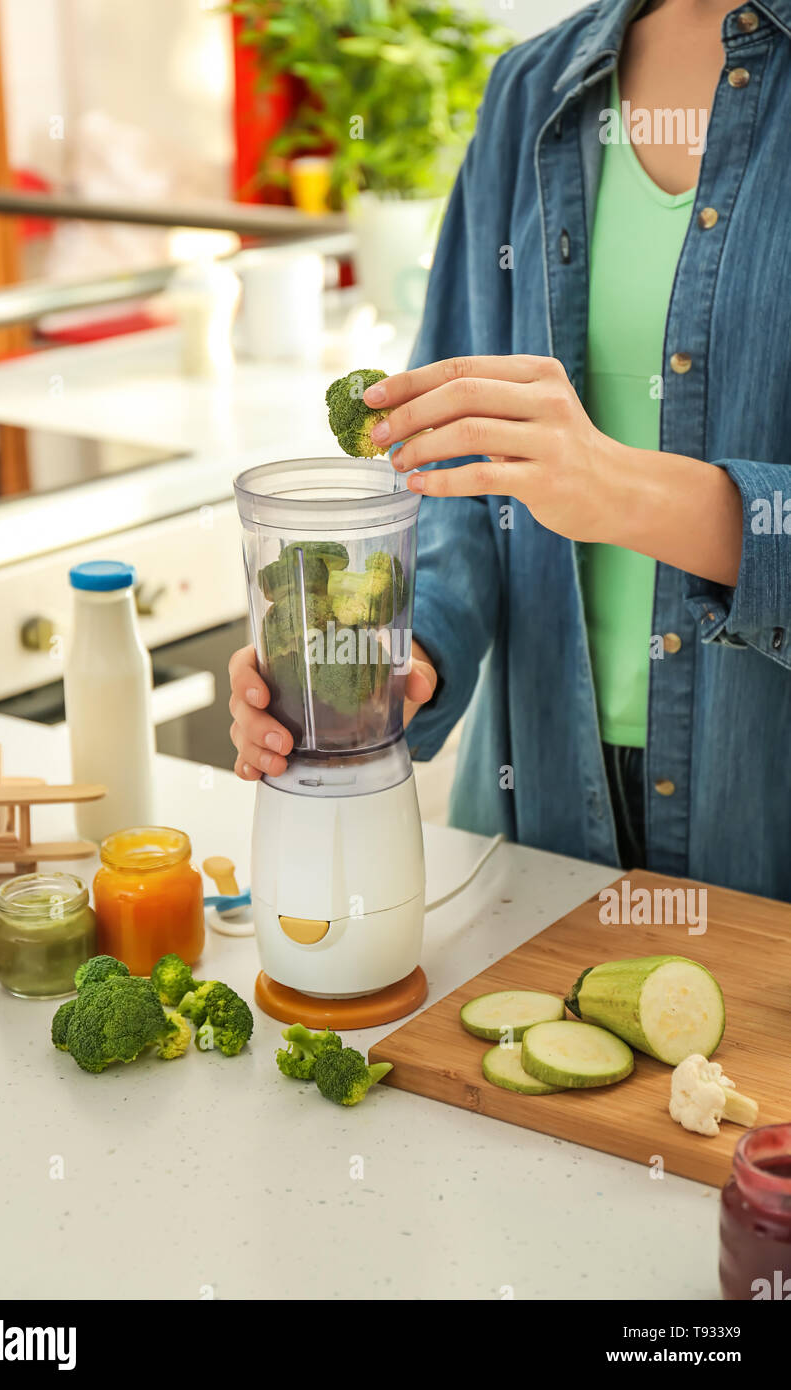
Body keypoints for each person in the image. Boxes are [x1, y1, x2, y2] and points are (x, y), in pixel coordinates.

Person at [230, 0, 791, 901]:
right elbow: (456, 485)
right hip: (539, 823)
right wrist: (397, 663)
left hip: (764, 826)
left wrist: (621, 490)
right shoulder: (531, 90)